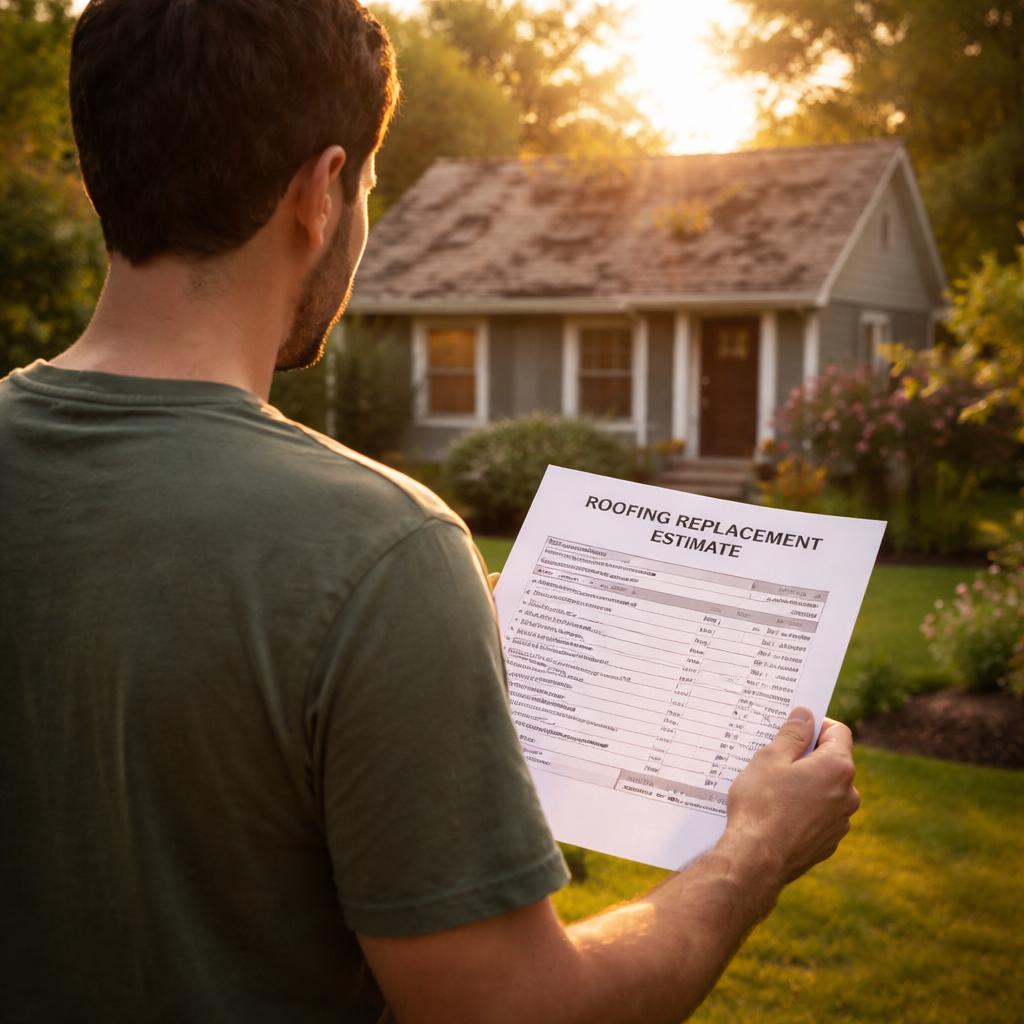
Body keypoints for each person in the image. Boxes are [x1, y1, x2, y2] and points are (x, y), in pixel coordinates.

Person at [0, 0, 860, 1020]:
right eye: (370, 185)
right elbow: (512, 1011)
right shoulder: (380, 548)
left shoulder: (378, 577)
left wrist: (411, 641)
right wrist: (756, 847)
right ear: (321, 192)